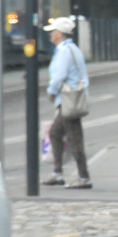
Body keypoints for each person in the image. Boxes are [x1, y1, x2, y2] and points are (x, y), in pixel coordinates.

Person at [41, 17, 92, 189]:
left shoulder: (64, 51)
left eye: (52, 32)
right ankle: (58, 173)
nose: (50, 35)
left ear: (60, 34)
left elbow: (59, 76)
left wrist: (51, 91)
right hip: (70, 100)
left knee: (73, 137)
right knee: (56, 133)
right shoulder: (71, 49)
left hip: (68, 101)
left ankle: (83, 177)